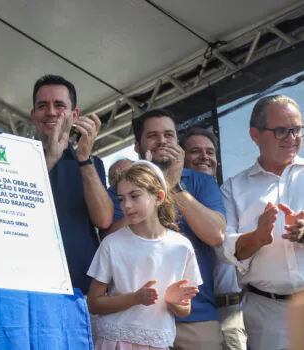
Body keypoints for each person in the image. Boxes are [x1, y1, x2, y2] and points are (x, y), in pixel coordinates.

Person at [107, 109, 226, 349]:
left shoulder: (201, 182)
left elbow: (215, 235)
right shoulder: (121, 189)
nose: (162, 141)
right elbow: (110, 243)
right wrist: (149, 187)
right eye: (153, 135)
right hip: (137, 319)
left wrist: (172, 185)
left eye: (169, 135)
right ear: (137, 146)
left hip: (196, 318)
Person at [217, 95, 304, 350]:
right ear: (255, 135)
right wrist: (258, 237)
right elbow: (225, 251)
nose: (292, 138)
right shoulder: (233, 188)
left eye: (297, 129)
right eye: (281, 131)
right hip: (266, 314)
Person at [87, 161, 202, 349]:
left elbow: (185, 310)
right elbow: (93, 303)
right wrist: (134, 298)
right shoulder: (112, 244)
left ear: (158, 197)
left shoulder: (182, 246)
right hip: (115, 343)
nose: (127, 205)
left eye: (135, 196)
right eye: (121, 199)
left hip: (158, 343)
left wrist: (173, 301)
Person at [30, 74, 114, 295]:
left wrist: (84, 159)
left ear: (74, 114)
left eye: (59, 105)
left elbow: (104, 219)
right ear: (33, 115)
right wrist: (49, 160)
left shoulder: (91, 162)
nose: (51, 112)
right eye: (42, 106)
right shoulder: (18, 157)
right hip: (31, 284)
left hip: (82, 287)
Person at [181, 128, 247, 350]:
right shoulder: (172, 200)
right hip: (193, 315)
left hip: (233, 310)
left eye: (210, 152)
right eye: (195, 151)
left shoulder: (228, 196)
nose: (204, 157)